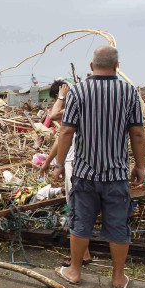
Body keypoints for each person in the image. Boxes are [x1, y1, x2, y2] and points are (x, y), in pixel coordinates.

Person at [52, 46, 145, 288]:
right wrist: (141, 165)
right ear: (117, 66)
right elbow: (137, 132)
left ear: (91, 67)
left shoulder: (79, 92)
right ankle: (117, 278)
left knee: (81, 223)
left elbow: (67, 130)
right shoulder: (129, 92)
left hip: (84, 173)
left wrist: (59, 164)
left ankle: (74, 271)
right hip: (116, 174)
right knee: (118, 226)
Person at [41, 79, 93, 266]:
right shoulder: (82, 107)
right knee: (80, 208)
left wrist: (62, 96)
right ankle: (83, 252)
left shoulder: (74, 107)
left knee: (76, 208)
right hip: (81, 162)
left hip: (75, 163)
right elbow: (62, 137)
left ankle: (81, 256)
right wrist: (48, 161)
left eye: (56, 98)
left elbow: (54, 115)